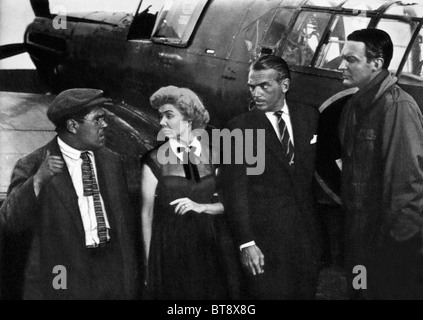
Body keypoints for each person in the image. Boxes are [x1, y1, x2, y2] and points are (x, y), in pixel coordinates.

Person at [0, 88, 139, 300]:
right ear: (73, 125)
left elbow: (123, 225)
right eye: (98, 119)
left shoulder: (112, 161)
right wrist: (37, 180)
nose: (105, 125)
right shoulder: (33, 164)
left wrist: (129, 280)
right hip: (63, 274)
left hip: (109, 271)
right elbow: (10, 221)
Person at [221, 55, 322, 300]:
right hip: (263, 244)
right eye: (252, 87)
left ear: (284, 85)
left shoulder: (310, 117)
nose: (256, 93)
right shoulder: (237, 129)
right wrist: (246, 243)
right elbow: (234, 192)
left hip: (306, 241)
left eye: (264, 86)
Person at [338, 29, 423, 300]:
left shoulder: (398, 107)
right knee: (360, 292)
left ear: (376, 63)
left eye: (351, 59)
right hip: (359, 239)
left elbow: (407, 189)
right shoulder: (355, 104)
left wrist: (401, 255)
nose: (342, 66)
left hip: (387, 247)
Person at [141, 86, 240, 300]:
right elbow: (146, 215)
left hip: (208, 246)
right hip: (168, 248)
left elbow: (230, 204)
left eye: (169, 115)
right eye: (160, 116)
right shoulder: (154, 160)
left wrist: (202, 206)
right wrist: (149, 264)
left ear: (189, 118)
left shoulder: (214, 154)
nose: (161, 122)